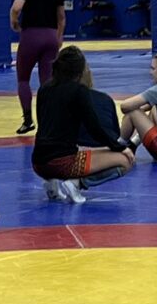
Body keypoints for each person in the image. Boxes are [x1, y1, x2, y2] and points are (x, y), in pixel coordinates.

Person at [32, 45, 134, 203]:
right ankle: (76, 184)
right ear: (81, 71)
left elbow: (43, 125)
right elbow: (95, 129)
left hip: (38, 162)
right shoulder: (79, 91)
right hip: (62, 163)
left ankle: (52, 182)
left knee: (71, 148)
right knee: (125, 161)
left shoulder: (44, 89)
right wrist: (121, 147)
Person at [10, 0, 66, 135]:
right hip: (50, 36)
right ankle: (48, 121)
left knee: (23, 79)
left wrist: (14, 22)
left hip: (31, 36)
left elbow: (17, 7)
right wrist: (58, 38)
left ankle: (28, 121)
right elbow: (61, 17)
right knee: (48, 82)